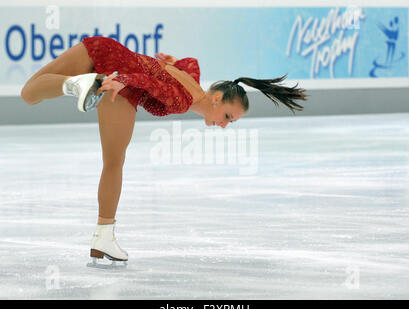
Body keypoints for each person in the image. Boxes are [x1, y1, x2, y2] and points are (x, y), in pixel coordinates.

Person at [20, 36, 307, 264]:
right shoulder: (183, 98)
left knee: (29, 93)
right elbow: (151, 83)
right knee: (113, 163)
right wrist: (124, 79)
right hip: (120, 83)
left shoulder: (193, 79)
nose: (224, 125)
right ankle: (103, 236)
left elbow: (190, 63)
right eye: (228, 117)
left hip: (104, 48)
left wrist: (171, 63)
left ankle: (76, 84)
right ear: (217, 99)